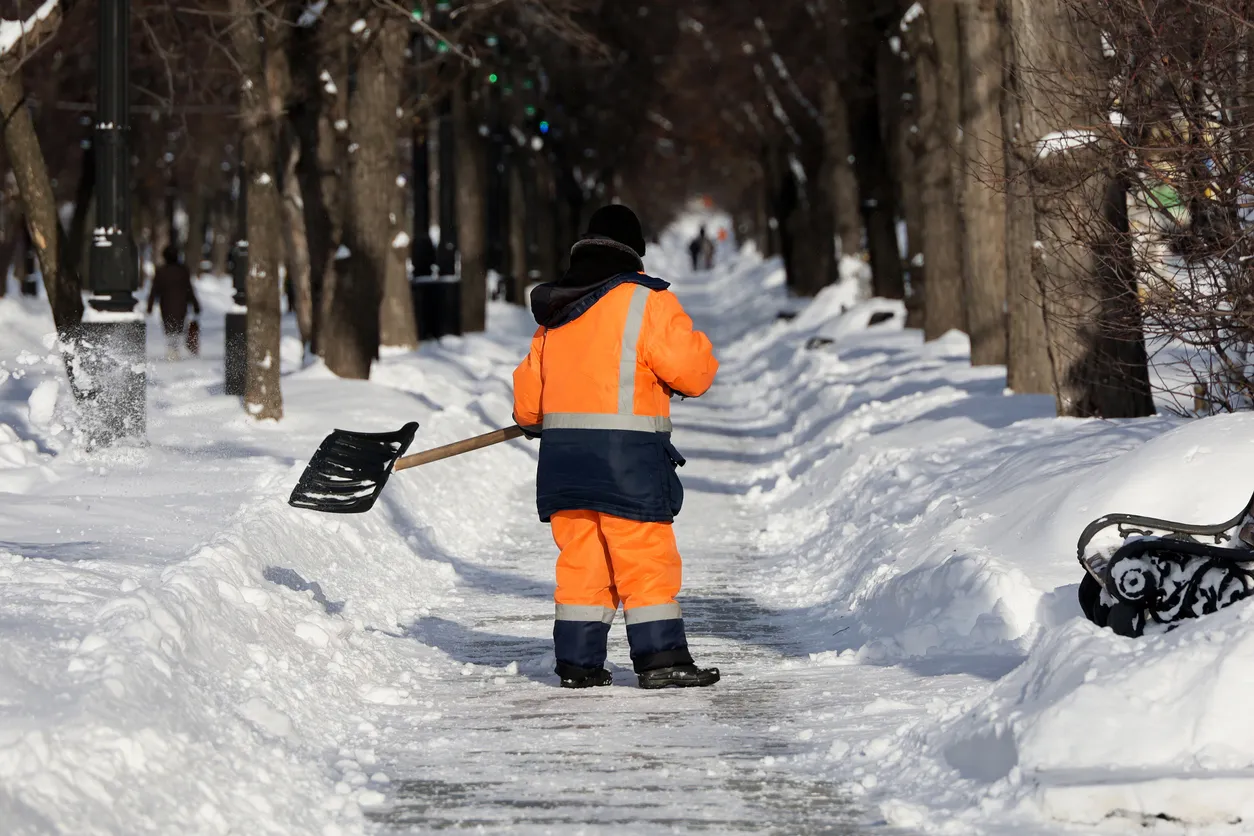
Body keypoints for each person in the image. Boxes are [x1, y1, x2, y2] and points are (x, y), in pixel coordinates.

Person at [513, 205, 721, 690]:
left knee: (582, 560)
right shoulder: (646, 301)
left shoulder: (555, 312)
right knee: (644, 557)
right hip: (626, 459)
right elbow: (694, 373)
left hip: (564, 462)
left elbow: (528, 406)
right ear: (635, 255)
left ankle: (579, 664)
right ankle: (662, 659)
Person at [147, 244, 201, 361]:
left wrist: (150, 306)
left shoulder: (161, 271)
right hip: (181, 304)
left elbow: (154, 289)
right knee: (179, 326)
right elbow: (189, 289)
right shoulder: (183, 270)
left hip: (166, 305)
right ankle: (175, 348)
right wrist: (195, 304)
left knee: (169, 327)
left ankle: (172, 349)